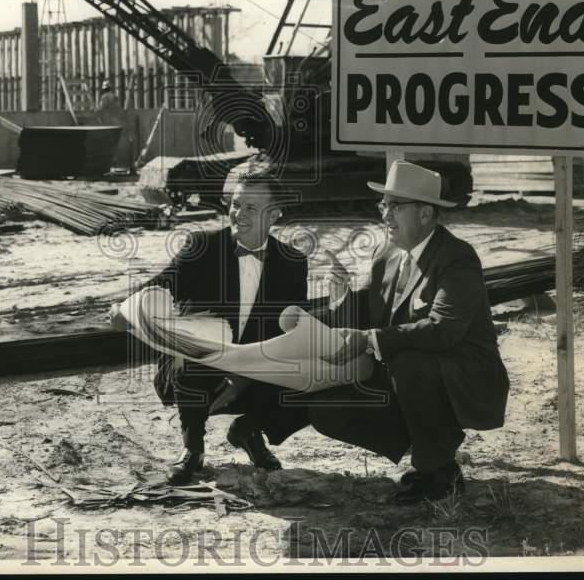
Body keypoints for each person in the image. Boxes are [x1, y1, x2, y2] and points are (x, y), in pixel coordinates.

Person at [308, 160, 509, 505]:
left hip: (465, 373)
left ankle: (438, 471)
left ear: (425, 214)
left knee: (409, 362)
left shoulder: (457, 258)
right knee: (328, 404)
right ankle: (420, 444)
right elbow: (376, 316)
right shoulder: (386, 252)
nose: (385, 214)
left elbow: (442, 329)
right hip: (413, 367)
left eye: (395, 206)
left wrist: (371, 340)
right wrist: (341, 294)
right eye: (384, 205)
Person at [111, 171, 309, 485]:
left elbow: (289, 331)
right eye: (235, 205)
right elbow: (154, 288)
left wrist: (244, 376)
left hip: (255, 366)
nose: (239, 214)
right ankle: (193, 450)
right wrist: (122, 309)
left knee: (316, 370)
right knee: (192, 352)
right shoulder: (201, 246)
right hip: (194, 366)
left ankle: (248, 429)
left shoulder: (292, 262)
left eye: (251, 208)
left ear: (275, 213)